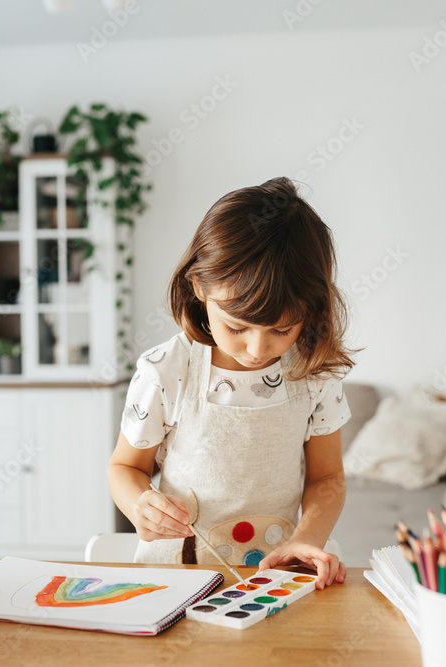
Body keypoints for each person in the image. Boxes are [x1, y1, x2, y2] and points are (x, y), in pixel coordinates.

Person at [107, 176, 356, 588]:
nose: (258, 349)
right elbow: (124, 468)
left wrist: (306, 538)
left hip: (271, 582)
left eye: (282, 329)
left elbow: (327, 479)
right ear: (199, 286)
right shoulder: (167, 370)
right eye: (238, 327)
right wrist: (139, 506)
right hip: (172, 581)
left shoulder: (315, 373)